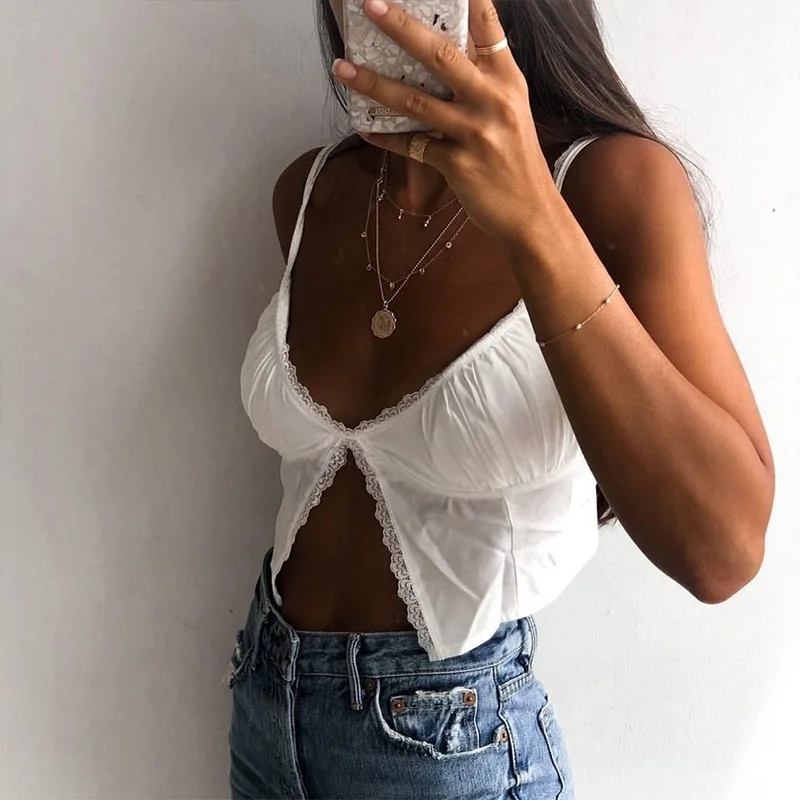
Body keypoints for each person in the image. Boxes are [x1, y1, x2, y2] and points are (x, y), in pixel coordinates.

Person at [227, 1, 775, 797]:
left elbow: (722, 552)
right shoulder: (310, 191)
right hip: (263, 700)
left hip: (453, 739)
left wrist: (532, 213)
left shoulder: (611, 183)